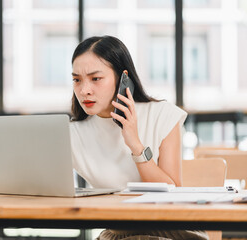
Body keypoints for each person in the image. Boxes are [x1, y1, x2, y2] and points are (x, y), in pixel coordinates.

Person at [69, 36, 208, 240]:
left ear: (123, 77)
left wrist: (135, 144)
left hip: (173, 232)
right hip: (118, 234)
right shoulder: (74, 133)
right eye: (76, 80)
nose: (84, 90)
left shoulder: (162, 115)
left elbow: (173, 194)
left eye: (95, 78)